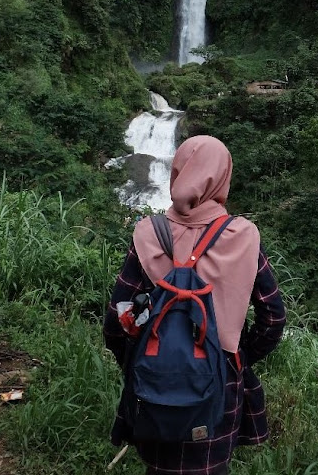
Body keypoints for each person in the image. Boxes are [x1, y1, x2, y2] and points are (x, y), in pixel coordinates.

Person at [104, 135, 286, 475]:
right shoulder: (243, 236)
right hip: (220, 381)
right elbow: (273, 318)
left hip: (154, 378)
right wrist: (235, 354)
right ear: (223, 176)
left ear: (178, 173)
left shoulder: (147, 233)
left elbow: (118, 321)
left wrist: (139, 359)